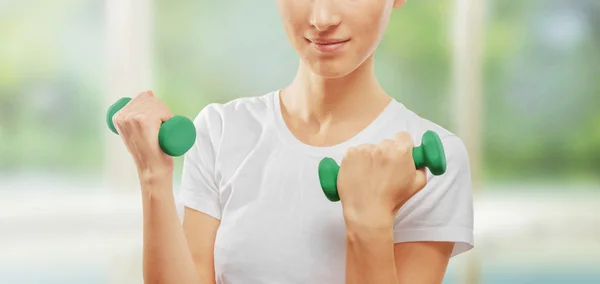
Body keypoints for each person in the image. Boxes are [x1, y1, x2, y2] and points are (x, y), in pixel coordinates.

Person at [112, 0, 474, 283]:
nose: (321, 18)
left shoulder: (429, 164)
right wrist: (153, 177)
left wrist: (369, 220)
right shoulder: (221, 130)